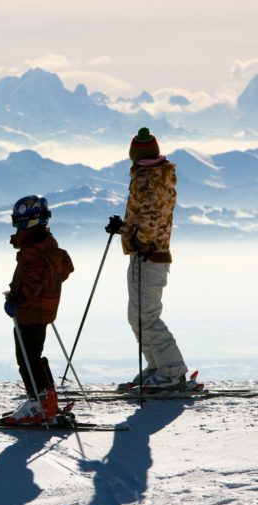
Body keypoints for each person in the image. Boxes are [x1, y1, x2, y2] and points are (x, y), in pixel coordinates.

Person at [105, 127, 188, 389]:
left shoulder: (147, 179)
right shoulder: (159, 175)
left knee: (146, 317)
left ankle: (172, 372)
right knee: (138, 317)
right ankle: (157, 366)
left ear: (135, 155)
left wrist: (138, 240)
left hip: (149, 256)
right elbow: (149, 215)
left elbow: (150, 217)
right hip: (150, 254)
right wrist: (125, 229)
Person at [2, 195, 74, 424]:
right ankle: (47, 399)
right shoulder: (49, 245)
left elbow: (35, 279)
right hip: (43, 309)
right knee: (33, 355)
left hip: (30, 311)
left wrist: (18, 298)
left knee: (26, 358)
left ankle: (38, 404)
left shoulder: (35, 250)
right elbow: (65, 267)